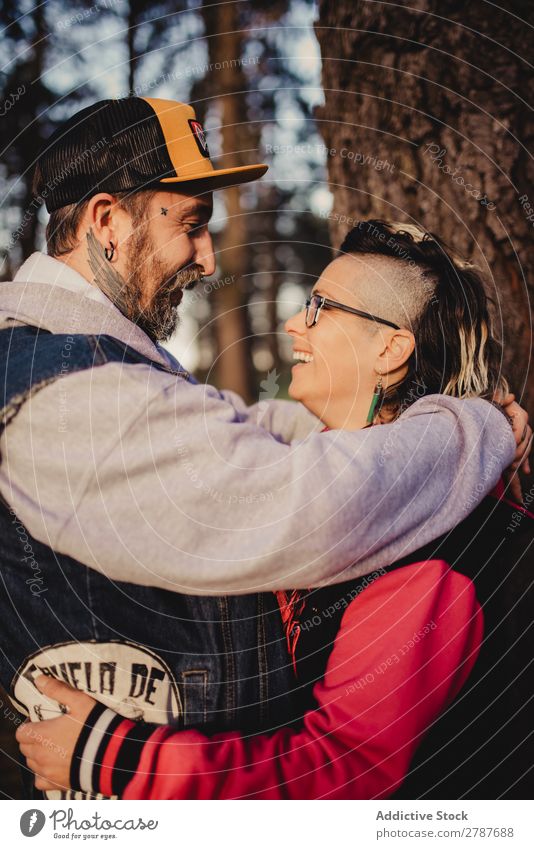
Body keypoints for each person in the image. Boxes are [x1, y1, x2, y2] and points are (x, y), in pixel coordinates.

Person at [16, 220, 533, 799]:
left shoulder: (429, 562)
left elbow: (342, 778)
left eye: (320, 308)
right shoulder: (329, 480)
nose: (293, 322)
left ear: (390, 349)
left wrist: (114, 756)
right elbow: (235, 433)